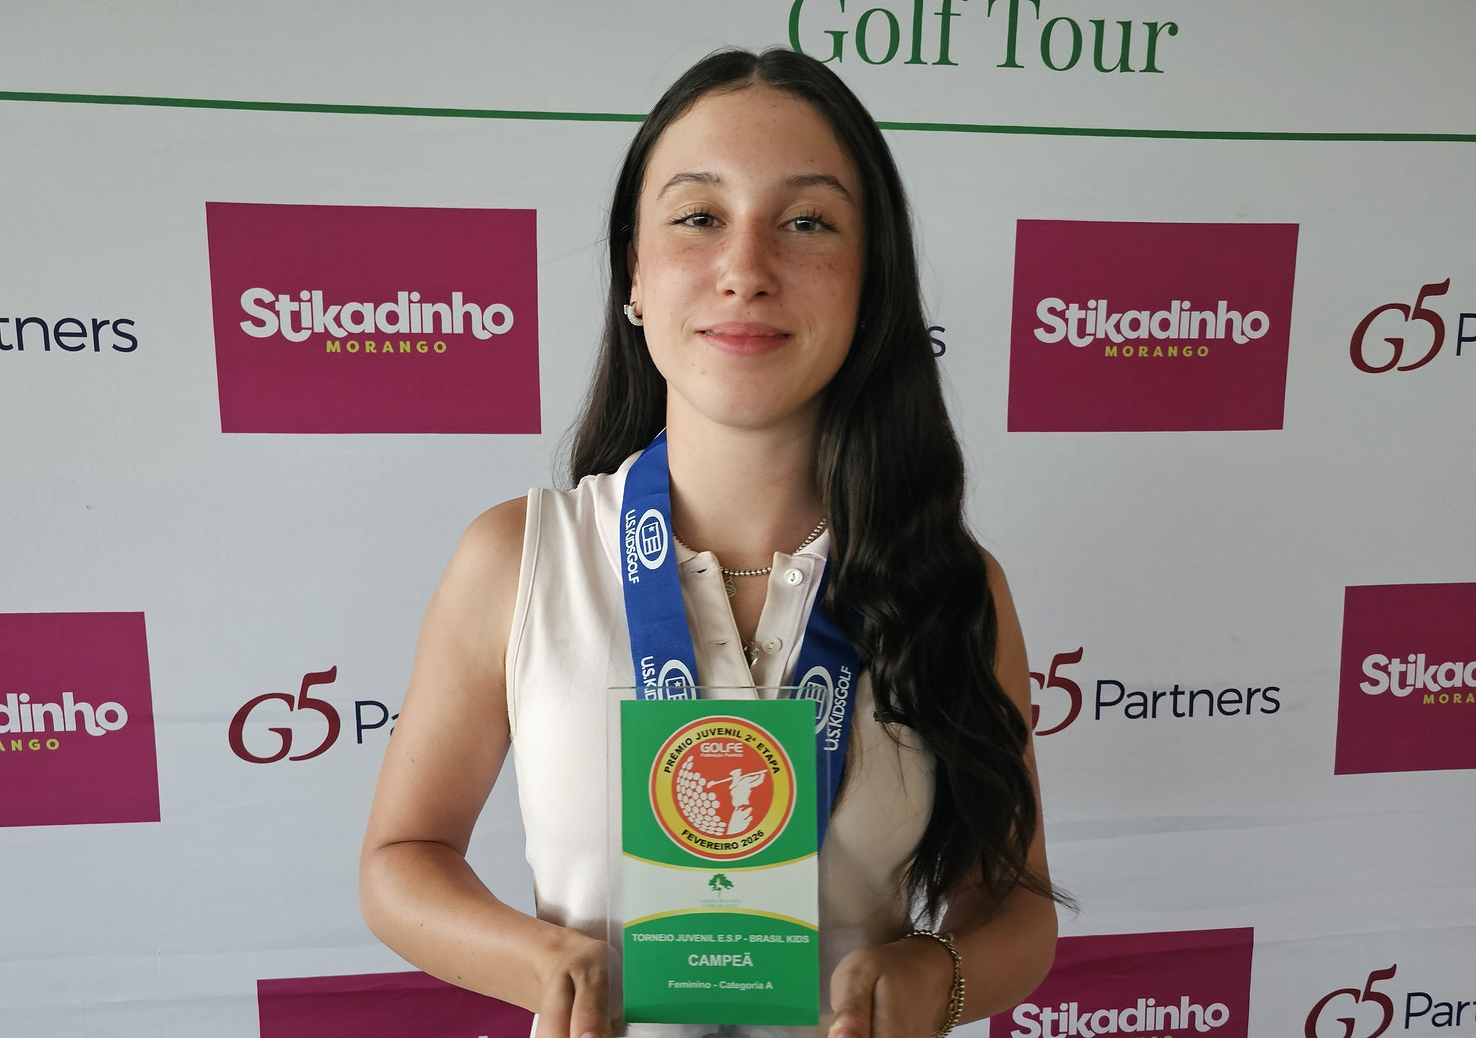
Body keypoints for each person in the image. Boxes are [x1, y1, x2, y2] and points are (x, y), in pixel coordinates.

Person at [360, 47, 1062, 1038]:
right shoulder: (519, 558)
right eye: (698, 217)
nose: (745, 271)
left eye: (807, 222)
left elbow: (1013, 905)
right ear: (634, 272)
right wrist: (544, 965)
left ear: (870, 282)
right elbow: (402, 859)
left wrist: (929, 978)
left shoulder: (950, 581)